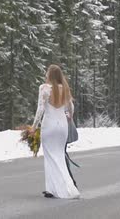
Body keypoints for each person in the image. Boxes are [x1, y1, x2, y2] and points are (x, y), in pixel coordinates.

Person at [31, 64, 80, 199]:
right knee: (59, 156)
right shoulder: (64, 88)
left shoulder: (44, 88)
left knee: (50, 157)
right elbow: (71, 106)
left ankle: (53, 189)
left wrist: (34, 127)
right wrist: (70, 116)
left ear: (49, 75)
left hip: (49, 125)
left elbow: (40, 109)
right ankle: (66, 186)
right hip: (62, 126)